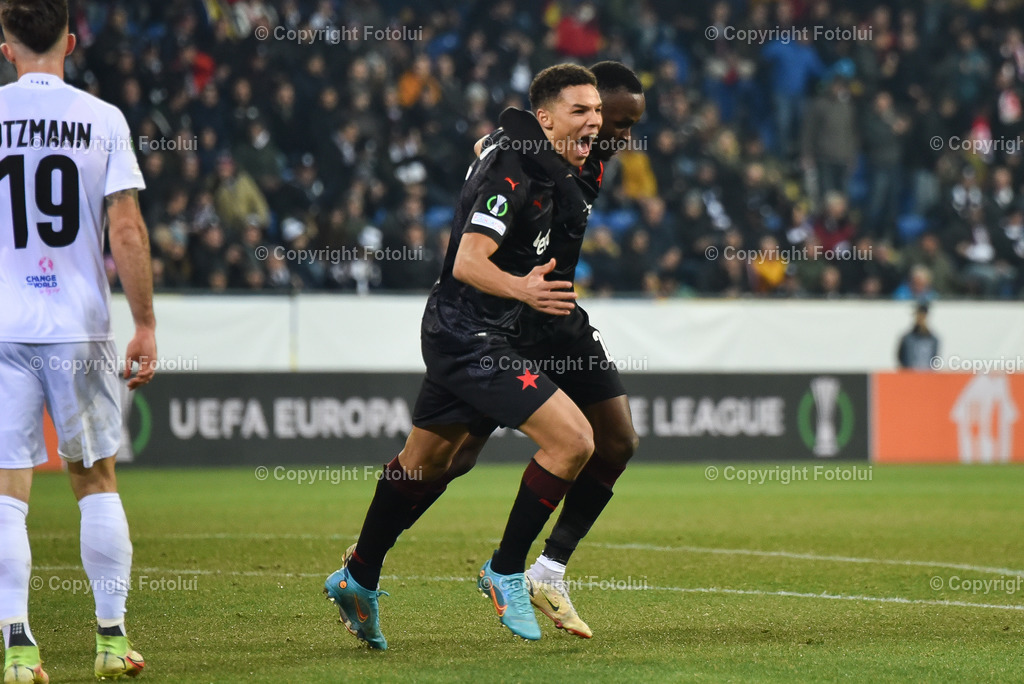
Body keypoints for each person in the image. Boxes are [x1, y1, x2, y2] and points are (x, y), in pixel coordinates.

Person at [323, 64, 602, 648]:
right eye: (581, 111)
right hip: (469, 334)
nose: (594, 122)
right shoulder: (514, 169)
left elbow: (489, 143)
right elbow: (469, 261)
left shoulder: (535, 158)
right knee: (573, 440)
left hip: (477, 330)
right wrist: (525, 288)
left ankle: (358, 574)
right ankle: (506, 570)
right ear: (545, 118)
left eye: (597, 111)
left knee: (433, 462)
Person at [0, 1, 156, 681]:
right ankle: (111, 640)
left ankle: (16, 647)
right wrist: (145, 323)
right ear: (70, 40)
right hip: (78, 326)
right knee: (94, 480)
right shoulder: (102, 119)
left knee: (6, 490)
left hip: (3, 325)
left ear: (5, 47)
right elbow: (126, 231)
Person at [897, 303, 940, 371]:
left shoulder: (933, 340)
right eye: (918, 315)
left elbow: (934, 359)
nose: (920, 318)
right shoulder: (907, 339)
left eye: (922, 316)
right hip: (911, 377)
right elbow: (901, 358)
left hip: (927, 376)